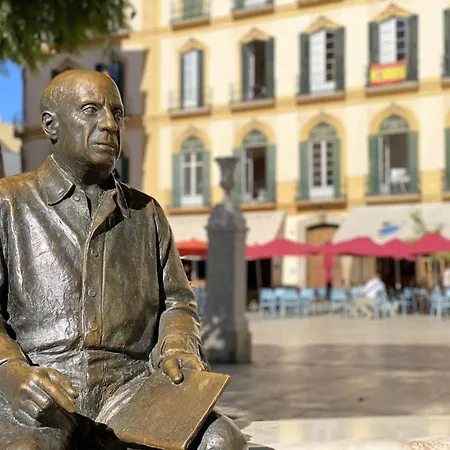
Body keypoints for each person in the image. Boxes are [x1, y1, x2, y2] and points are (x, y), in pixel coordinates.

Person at [0, 70, 247, 449]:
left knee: (221, 441)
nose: (109, 124)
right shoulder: (9, 202)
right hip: (41, 387)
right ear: (51, 125)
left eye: (117, 113)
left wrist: (178, 344)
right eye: (91, 110)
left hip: (131, 389)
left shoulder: (146, 213)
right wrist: (11, 373)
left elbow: (177, 302)